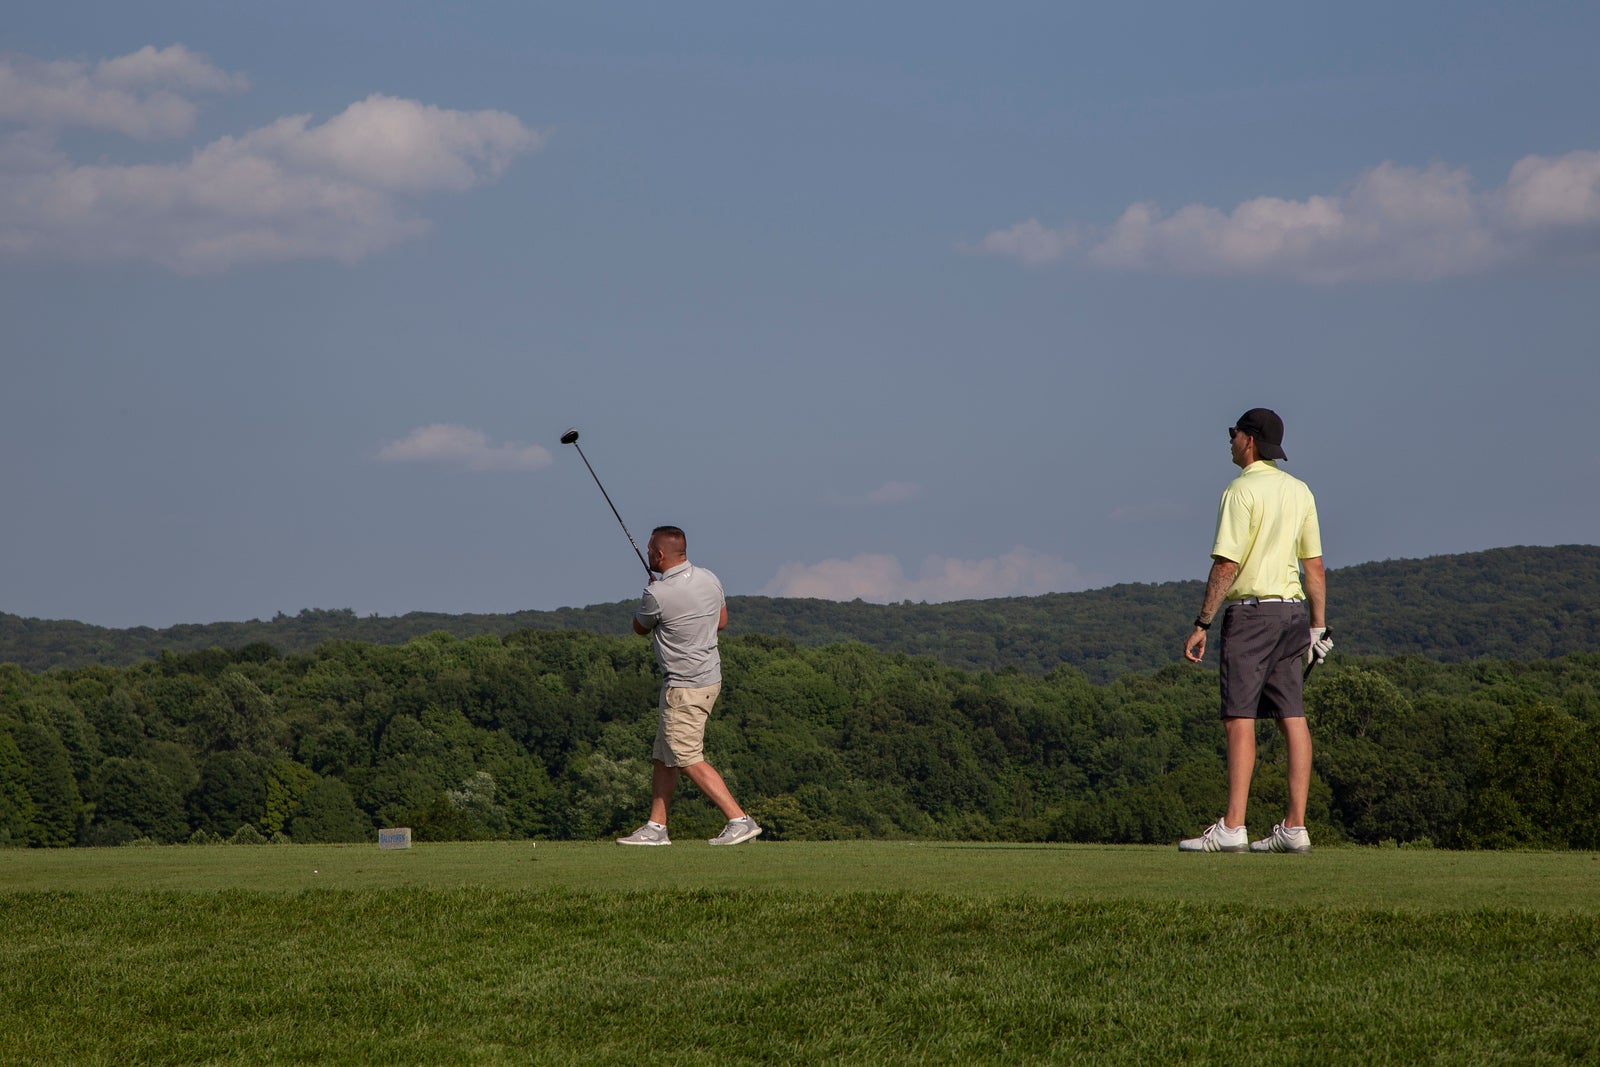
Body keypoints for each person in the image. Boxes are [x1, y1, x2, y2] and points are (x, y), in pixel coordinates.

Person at [1180, 408, 1332, 854]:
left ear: (1250, 441)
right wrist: (1318, 628)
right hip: (1293, 616)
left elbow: (1226, 564)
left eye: (1234, 434)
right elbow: (1315, 567)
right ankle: (1295, 827)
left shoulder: (1240, 490)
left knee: (1239, 716)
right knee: (1293, 716)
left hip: (1251, 616)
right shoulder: (1300, 491)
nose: (1229, 441)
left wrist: (1202, 623)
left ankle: (1233, 827)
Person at [616, 525, 762, 847]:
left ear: (660, 554)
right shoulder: (710, 578)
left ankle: (739, 819)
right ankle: (657, 827)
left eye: (651, 548)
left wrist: (657, 594)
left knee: (685, 756)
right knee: (664, 755)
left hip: (684, 687)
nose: (650, 552)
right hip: (709, 679)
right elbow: (721, 621)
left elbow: (640, 627)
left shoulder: (656, 594)